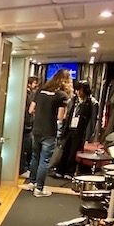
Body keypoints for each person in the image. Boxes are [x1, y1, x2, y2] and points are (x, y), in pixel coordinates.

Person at [22, 69, 70, 197]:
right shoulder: (61, 96)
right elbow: (60, 117)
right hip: (49, 131)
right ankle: (39, 188)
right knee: (44, 160)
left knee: (35, 157)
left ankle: (32, 182)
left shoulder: (40, 92)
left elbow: (31, 110)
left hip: (36, 129)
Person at [55, 80, 99, 179]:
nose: (78, 92)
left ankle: (69, 171)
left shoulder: (92, 103)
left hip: (80, 130)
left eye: (80, 90)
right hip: (69, 127)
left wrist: (88, 136)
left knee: (73, 151)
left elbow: (92, 121)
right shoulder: (73, 100)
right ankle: (60, 169)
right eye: (77, 90)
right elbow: (68, 114)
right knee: (65, 149)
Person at [19, 75, 39, 178]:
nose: (36, 85)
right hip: (25, 124)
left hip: (28, 124)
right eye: (34, 83)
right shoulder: (26, 95)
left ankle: (24, 168)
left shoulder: (30, 94)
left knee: (26, 148)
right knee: (24, 148)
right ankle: (23, 169)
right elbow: (28, 110)